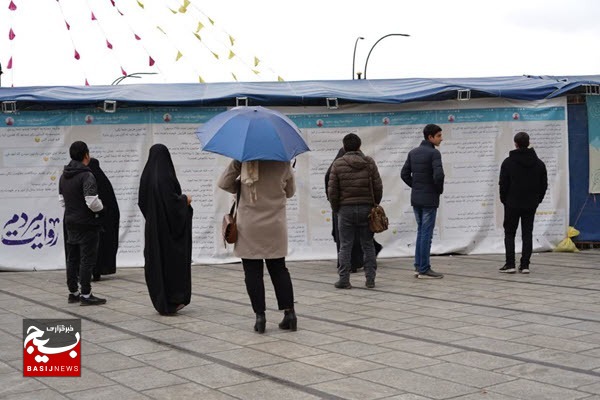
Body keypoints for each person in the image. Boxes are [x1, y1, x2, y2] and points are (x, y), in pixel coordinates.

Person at [218, 159, 297, 333]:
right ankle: (289, 314)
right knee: (279, 269)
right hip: (275, 225)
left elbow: (224, 183)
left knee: (252, 272)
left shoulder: (244, 162)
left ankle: (260, 317)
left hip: (249, 226)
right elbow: (290, 192)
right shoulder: (282, 163)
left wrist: (237, 169)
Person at [138, 144, 193, 315]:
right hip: (168, 232)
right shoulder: (166, 177)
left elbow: (142, 202)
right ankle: (173, 299)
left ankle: (161, 301)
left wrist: (153, 218)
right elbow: (172, 203)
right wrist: (185, 200)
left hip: (153, 230)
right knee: (171, 264)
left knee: (156, 263)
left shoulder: (146, 177)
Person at [327, 133, 383, 289]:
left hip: (345, 210)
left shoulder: (338, 164)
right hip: (366, 208)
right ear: (359, 146)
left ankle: (344, 280)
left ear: (344, 147)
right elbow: (378, 187)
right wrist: (374, 204)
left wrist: (336, 208)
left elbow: (332, 191)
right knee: (368, 245)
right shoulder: (369, 162)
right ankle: (370, 279)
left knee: (345, 245)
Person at [59, 141, 106, 306]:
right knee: (87, 259)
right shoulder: (87, 175)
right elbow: (92, 201)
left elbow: (62, 200)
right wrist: (102, 209)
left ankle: (73, 292)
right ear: (86, 155)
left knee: (72, 258)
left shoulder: (64, 175)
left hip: (70, 221)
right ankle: (86, 294)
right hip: (86, 223)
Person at [499, 132, 548, 274]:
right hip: (530, 204)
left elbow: (503, 184)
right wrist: (537, 200)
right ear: (528, 143)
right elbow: (543, 185)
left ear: (516, 143)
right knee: (527, 233)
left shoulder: (508, 163)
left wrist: (505, 200)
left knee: (509, 233)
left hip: (512, 204)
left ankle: (510, 264)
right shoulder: (539, 164)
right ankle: (525, 265)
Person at [401, 124, 445, 279]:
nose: (441, 138)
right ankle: (424, 268)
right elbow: (439, 176)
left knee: (421, 232)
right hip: (429, 200)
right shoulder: (434, 154)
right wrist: (437, 190)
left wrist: (417, 186)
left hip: (416, 198)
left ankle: (418, 266)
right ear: (430, 137)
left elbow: (404, 174)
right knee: (426, 234)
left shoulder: (413, 152)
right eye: (438, 135)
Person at [88, 157, 120, 281]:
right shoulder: (103, 180)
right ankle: (98, 271)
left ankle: (90, 271)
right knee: (100, 247)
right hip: (105, 221)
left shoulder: (89, 180)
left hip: (94, 220)